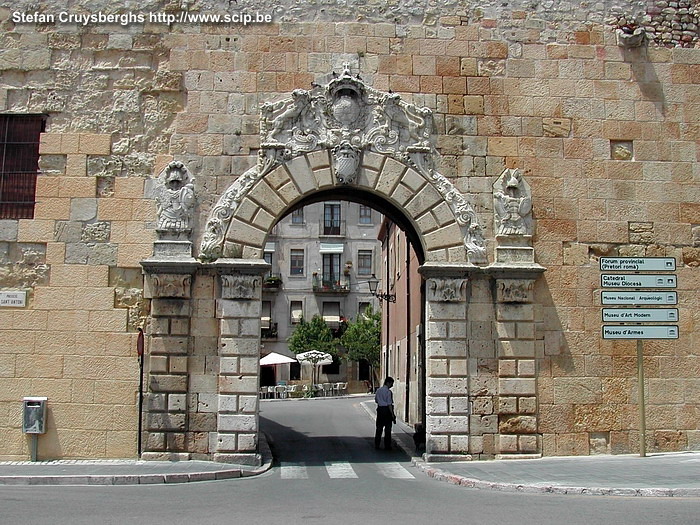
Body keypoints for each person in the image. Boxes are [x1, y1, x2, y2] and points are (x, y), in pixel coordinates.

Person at [374, 377, 396, 450]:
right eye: (391, 384)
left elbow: (376, 400)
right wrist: (392, 415)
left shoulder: (378, 390)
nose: (392, 385)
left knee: (379, 428)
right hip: (386, 410)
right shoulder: (388, 392)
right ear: (388, 383)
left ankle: (377, 444)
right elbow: (389, 403)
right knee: (387, 429)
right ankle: (387, 445)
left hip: (380, 410)